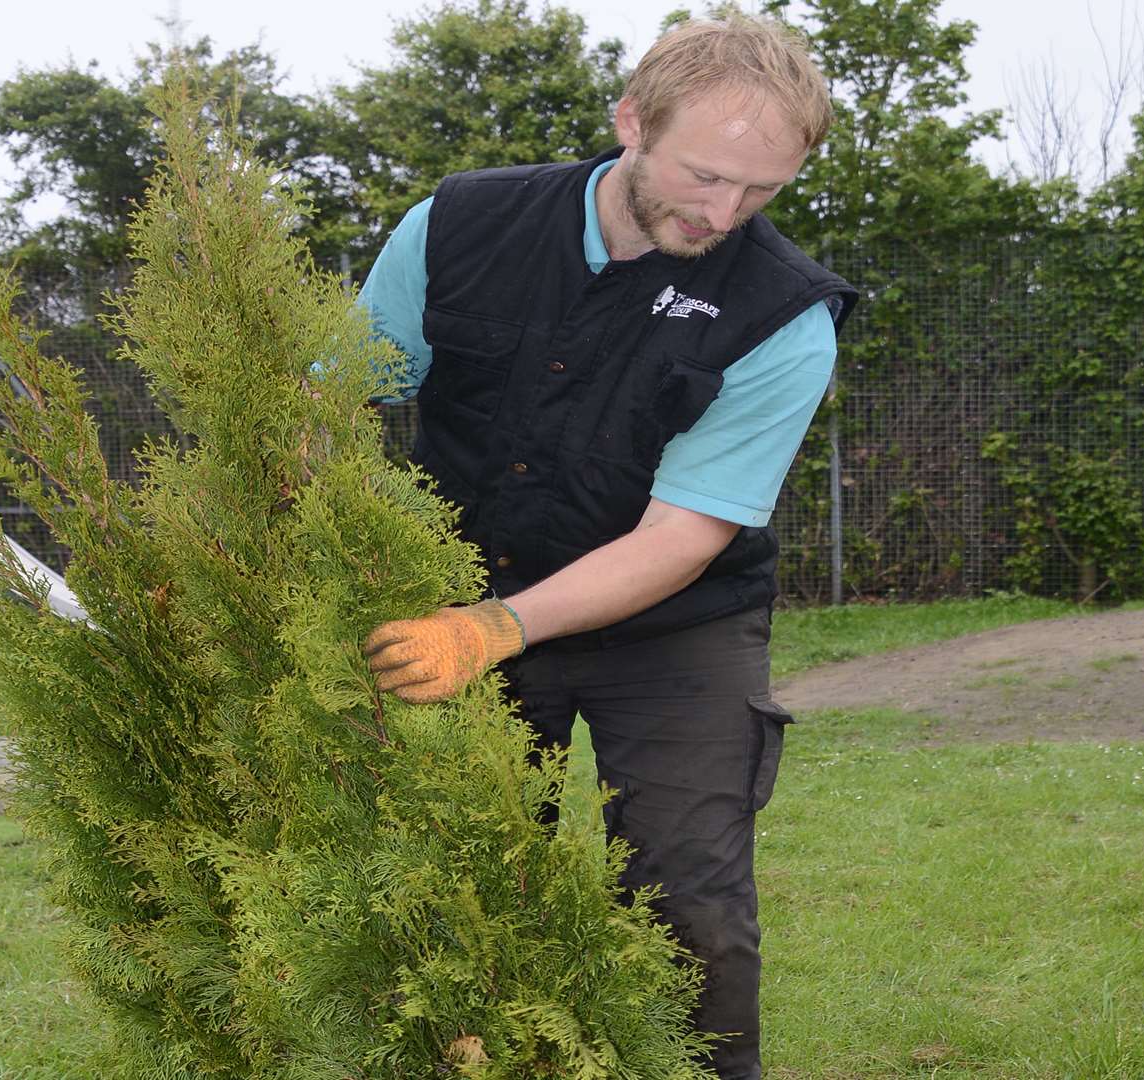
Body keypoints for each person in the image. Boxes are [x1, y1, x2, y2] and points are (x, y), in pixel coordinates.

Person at [357, 12, 856, 1078]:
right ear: (632, 120)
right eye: (706, 175)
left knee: (689, 906)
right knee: (459, 893)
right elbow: (333, 402)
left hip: (674, 626)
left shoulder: (785, 316)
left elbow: (681, 535)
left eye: (762, 191)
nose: (725, 213)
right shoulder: (457, 226)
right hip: (457, 588)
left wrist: (496, 628)